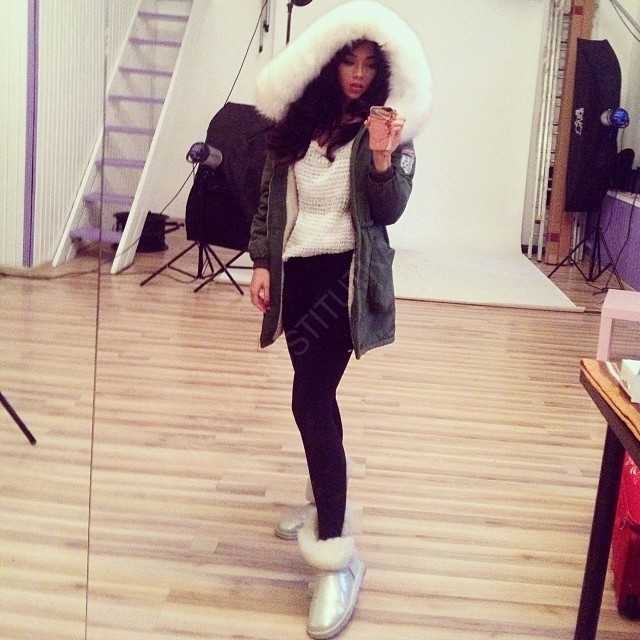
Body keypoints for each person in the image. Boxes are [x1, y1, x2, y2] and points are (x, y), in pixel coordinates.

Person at [248, 1, 431, 638]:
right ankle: (326, 500)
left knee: (310, 398)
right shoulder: (300, 123)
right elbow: (270, 200)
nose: (357, 74)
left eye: (368, 65)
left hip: (344, 282)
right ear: (330, 64)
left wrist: (381, 156)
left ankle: (335, 553)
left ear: (382, 73)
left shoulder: (389, 129)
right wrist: (262, 262)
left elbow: (389, 209)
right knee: (316, 399)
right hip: (296, 278)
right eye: (348, 61)